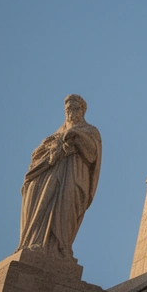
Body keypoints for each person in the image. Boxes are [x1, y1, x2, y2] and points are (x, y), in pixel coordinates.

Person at [19, 94, 103, 257]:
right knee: (42, 205)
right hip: (51, 177)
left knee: (66, 209)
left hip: (74, 175)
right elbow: (37, 155)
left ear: (82, 110)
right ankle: (36, 242)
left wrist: (77, 137)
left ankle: (60, 247)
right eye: (68, 109)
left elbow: (93, 154)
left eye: (75, 108)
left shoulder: (91, 131)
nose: (71, 112)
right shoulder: (55, 134)